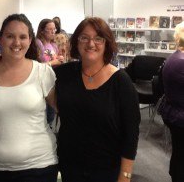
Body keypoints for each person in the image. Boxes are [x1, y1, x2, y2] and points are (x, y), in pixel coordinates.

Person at [54, 17, 140, 182]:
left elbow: (131, 134)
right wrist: (0, 61)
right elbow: (33, 73)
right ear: (76, 41)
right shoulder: (64, 74)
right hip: (69, 166)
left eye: (98, 38)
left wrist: (125, 175)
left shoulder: (121, 82)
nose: (90, 44)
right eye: (84, 38)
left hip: (107, 170)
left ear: (106, 43)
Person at [0, 14, 58, 182]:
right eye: (10, 36)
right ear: (0, 39)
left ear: (30, 40)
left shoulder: (42, 72)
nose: (16, 42)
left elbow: (66, 112)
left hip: (39, 168)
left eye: (22, 37)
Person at [160, 21, 184, 182]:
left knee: (179, 153)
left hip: (173, 114)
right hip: (180, 117)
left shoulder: (175, 56)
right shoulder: (181, 61)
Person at [36, 18, 64, 125]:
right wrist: (55, 61)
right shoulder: (38, 44)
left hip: (52, 81)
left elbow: (55, 60)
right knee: (43, 114)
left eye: (54, 29)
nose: (54, 32)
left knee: (51, 113)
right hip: (41, 83)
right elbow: (36, 66)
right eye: (50, 29)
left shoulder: (54, 45)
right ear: (42, 31)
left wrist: (59, 59)